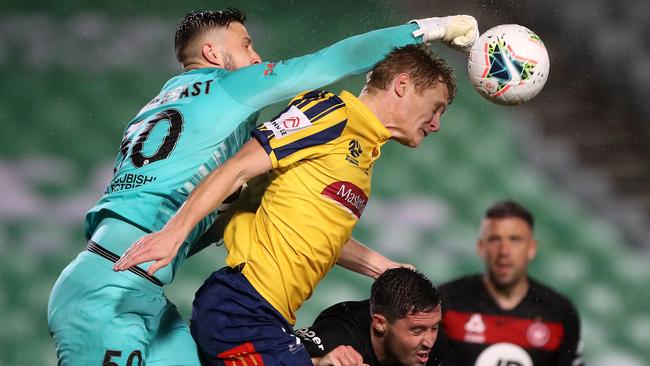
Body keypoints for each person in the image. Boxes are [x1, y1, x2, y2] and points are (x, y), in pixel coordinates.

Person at [47, 7, 479, 366]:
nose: (258, 56)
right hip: (112, 284)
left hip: (142, 288)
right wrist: (433, 28)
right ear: (213, 53)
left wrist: (385, 268)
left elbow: (259, 208)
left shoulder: (165, 107)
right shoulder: (233, 87)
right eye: (246, 44)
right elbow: (331, 62)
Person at [438, 200, 584, 366]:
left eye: (515, 240)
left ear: (531, 248)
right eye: (494, 240)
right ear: (481, 247)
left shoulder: (560, 312)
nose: (504, 251)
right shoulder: (446, 301)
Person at [296, 267, 445, 366]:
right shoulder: (337, 335)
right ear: (380, 323)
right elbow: (275, 357)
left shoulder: (433, 345)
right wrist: (317, 362)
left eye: (435, 327)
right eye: (417, 331)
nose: (429, 342)